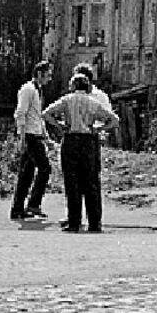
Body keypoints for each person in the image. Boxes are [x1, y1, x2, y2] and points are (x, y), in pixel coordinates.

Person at [44, 73, 120, 232]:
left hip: (70, 140)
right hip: (88, 141)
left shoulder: (67, 100)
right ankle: (94, 223)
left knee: (72, 183)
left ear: (73, 86)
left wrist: (59, 126)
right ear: (87, 87)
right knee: (91, 182)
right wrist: (99, 128)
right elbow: (114, 120)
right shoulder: (93, 102)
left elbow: (46, 114)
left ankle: (74, 222)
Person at [10, 61, 59, 221]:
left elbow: (38, 117)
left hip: (35, 135)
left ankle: (18, 209)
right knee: (44, 168)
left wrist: (46, 138)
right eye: (48, 74)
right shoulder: (28, 90)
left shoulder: (38, 91)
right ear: (39, 73)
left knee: (26, 174)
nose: (50, 78)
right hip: (30, 136)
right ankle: (33, 204)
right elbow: (20, 114)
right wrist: (22, 137)